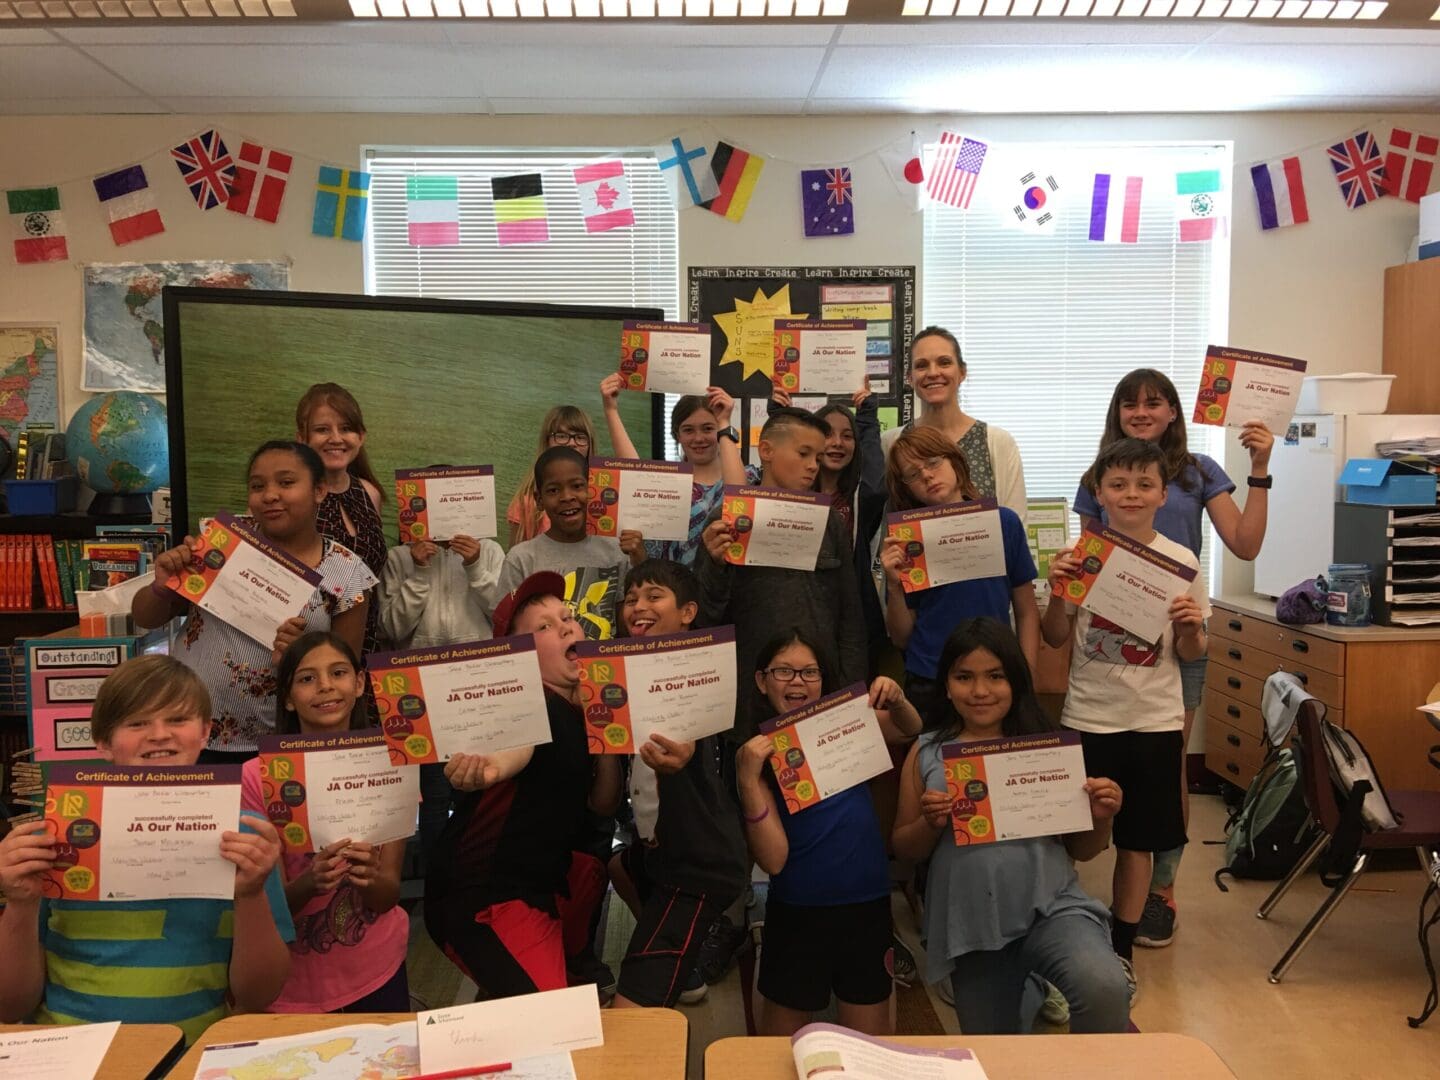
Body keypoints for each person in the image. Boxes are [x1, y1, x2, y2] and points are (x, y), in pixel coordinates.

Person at [1073, 368, 1273, 949]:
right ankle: (1105, 897)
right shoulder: (1099, 476)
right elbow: (1096, 556)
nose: (1141, 412)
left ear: (1173, 411)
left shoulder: (1198, 470)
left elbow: (1246, 544)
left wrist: (1260, 470)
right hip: (1115, 650)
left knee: (1165, 772)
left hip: (1183, 633)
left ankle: (1161, 890)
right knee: (1106, 781)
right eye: (1129, 403)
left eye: (1153, 402)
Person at [0, 655, 293, 1043]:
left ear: (205, 732)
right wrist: (20, 904)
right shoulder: (58, 837)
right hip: (70, 1054)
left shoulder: (245, 841)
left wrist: (251, 894)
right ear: (103, 742)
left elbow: (259, 996)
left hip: (190, 1053)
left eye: (177, 719)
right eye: (137, 723)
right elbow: (9, 1005)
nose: (159, 734)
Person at [891, 617, 1130, 1035]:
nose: (980, 691)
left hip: (1053, 906)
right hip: (973, 923)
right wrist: (931, 824)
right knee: (996, 1045)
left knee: (1104, 988)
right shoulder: (929, 750)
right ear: (945, 685)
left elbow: (1083, 848)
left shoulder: (1046, 745)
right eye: (964, 677)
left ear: (1015, 682)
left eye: (995, 677)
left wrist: (1100, 816)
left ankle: (1086, 1052)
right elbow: (903, 849)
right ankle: (1032, 990)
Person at [1043, 437, 1210, 998]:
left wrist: (1190, 628)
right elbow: (1055, 636)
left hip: (1155, 721)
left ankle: (1120, 950)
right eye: (1118, 484)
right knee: (1072, 837)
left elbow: (1189, 652)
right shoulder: (1081, 553)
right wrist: (1057, 592)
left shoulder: (1182, 561)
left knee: (1139, 841)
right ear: (1099, 492)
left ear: (1164, 494)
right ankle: (1061, 940)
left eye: (1144, 484)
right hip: (1090, 715)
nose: (1131, 494)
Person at [423, 572, 622, 1000]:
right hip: (479, 897)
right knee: (549, 1020)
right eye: (544, 627)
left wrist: (604, 730)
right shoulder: (531, 706)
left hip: (540, 883)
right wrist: (490, 768)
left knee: (589, 867)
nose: (567, 626)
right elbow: (518, 745)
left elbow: (603, 805)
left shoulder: (579, 708)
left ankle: (540, 969)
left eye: (567, 617)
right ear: (521, 659)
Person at [132, 441, 377, 763]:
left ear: (319, 490)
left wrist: (303, 652)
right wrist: (163, 585)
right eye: (257, 486)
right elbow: (146, 617)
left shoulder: (347, 572)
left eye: (286, 483)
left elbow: (342, 673)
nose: (270, 495)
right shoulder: (222, 543)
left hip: (282, 744)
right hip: (187, 730)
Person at [735, 628, 922, 1036]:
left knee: (870, 1047)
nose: (798, 681)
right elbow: (773, 859)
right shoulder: (757, 754)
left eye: (809, 672)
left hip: (867, 904)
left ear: (824, 679)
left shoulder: (850, 723)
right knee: (781, 1048)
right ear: (761, 680)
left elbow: (909, 729)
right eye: (784, 671)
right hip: (797, 910)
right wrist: (748, 780)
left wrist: (899, 697)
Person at [241, 632, 409, 1012]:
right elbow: (261, 910)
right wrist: (309, 883)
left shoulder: (392, 762)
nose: (326, 686)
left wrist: (370, 876)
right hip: (290, 988)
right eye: (306, 678)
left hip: (376, 972)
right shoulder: (256, 779)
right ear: (286, 697)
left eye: (338, 672)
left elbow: (388, 895)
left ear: (360, 683)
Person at [607, 559, 749, 1009]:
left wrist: (687, 755)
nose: (638, 607)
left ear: (688, 613)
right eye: (631, 600)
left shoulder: (702, 674)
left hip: (698, 867)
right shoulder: (625, 671)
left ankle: (666, 970)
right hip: (659, 848)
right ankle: (684, 974)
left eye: (653, 596)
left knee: (634, 1002)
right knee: (620, 866)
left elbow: (698, 740)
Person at [695, 407, 868, 740]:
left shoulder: (829, 522)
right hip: (748, 699)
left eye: (817, 458)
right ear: (767, 450)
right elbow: (705, 619)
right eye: (803, 453)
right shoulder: (727, 519)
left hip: (822, 696)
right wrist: (715, 565)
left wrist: (850, 694)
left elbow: (850, 620)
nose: (812, 466)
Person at [881, 426, 1040, 718]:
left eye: (933, 463)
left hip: (995, 674)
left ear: (955, 461)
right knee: (931, 761)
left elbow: (1027, 611)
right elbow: (901, 638)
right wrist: (893, 586)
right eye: (913, 474)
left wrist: (1025, 675)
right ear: (906, 487)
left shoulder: (1003, 523)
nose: (927, 475)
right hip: (930, 678)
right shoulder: (908, 541)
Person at [376, 522, 504, 868]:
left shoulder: (489, 550)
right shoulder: (400, 558)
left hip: (476, 685)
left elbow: (503, 614)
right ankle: (437, 883)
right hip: (419, 689)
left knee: (476, 788)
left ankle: (475, 877)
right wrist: (418, 571)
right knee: (432, 798)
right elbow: (391, 626)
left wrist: (476, 563)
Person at [599, 377, 752, 566]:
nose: (698, 438)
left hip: (725, 589)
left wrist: (723, 421)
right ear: (676, 435)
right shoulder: (667, 482)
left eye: (708, 428)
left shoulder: (746, 476)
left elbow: (738, 497)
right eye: (688, 430)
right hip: (671, 588)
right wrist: (611, 410)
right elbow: (633, 473)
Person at [881, 326, 1027, 522]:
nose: (933, 373)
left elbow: (1016, 527)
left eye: (944, 362)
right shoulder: (891, 442)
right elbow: (885, 523)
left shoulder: (997, 442)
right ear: (910, 378)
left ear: (962, 372)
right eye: (922, 365)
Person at [500, 446, 644, 640]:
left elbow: (628, 625)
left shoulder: (617, 551)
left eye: (577, 486)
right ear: (539, 499)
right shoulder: (521, 559)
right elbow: (507, 631)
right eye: (553, 490)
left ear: (592, 488)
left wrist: (640, 561)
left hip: (606, 665)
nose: (567, 497)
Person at [296, 383, 388, 656]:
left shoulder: (370, 494)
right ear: (302, 438)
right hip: (306, 647)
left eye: (346, 428)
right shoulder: (291, 499)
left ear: (361, 436)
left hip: (366, 646)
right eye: (322, 429)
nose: (336, 438)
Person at [507, 405, 597, 547]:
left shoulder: (602, 499)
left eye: (580, 437)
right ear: (546, 442)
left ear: (590, 444)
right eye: (561, 436)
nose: (572, 443)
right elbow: (515, 559)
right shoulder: (527, 504)